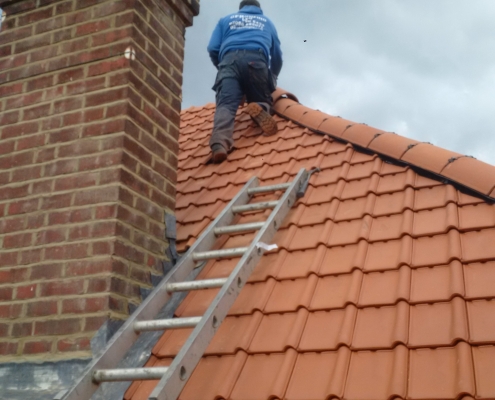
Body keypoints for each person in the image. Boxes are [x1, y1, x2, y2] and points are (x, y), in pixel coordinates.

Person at [207, 0, 283, 163]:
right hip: (256, 61)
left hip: (228, 62)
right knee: (262, 98)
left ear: (240, 9)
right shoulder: (267, 22)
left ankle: (219, 143)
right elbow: (276, 55)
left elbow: (212, 47)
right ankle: (259, 107)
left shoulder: (225, 20)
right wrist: (272, 77)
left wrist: (221, 66)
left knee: (226, 104)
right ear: (258, 9)